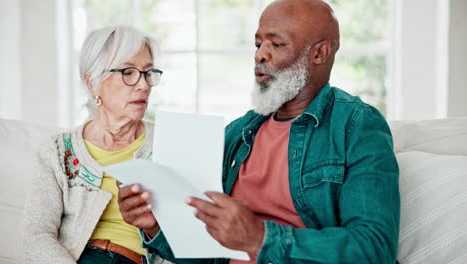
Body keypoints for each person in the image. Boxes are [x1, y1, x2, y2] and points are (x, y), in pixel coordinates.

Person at [118, 0, 401, 263]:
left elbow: (374, 248)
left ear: (319, 53)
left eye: (276, 45)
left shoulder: (356, 125)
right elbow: (207, 252)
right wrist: (156, 227)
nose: (260, 55)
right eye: (258, 43)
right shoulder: (239, 133)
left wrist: (260, 238)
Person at [20, 25, 172, 264]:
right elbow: (35, 236)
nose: (144, 85)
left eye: (147, 73)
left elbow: (189, 236)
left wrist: (153, 227)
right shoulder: (58, 151)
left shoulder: (169, 143)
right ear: (93, 83)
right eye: (129, 72)